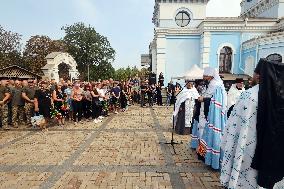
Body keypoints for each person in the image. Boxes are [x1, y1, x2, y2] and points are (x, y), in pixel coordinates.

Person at [220, 59, 284, 189]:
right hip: (274, 155)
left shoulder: (249, 96)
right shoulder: (281, 97)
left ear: (259, 75)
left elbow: (233, 126)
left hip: (248, 151)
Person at [196, 67, 227, 170]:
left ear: (210, 76)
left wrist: (203, 99)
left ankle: (209, 157)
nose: (203, 77)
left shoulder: (214, 84)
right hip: (215, 115)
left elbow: (212, 100)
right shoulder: (217, 83)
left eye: (205, 75)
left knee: (209, 134)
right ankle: (209, 156)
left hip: (212, 115)